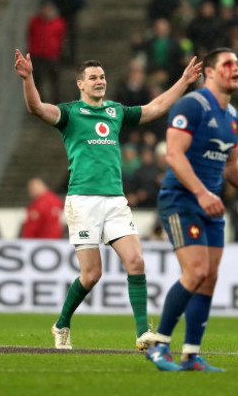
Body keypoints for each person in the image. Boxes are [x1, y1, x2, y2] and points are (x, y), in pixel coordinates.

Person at [14, 49, 202, 351]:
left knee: (136, 261)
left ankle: (143, 333)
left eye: (102, 77)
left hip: (115, 200)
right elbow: (36, 107)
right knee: (91, 275)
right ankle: (61, 324)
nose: (100, 81)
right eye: (93, 78)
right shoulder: (70, 113)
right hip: (83, 201)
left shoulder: (115, 111)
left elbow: (154, 108)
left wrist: (183, 82)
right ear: (80, 84)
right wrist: (28, 77)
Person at [146, 48, 238, 372]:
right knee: (195, 272)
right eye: (227, 64)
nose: (235, 69)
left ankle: (191, 355)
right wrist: (202, 192)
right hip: (182, 200)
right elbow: (174, 156)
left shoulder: (234, 117)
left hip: (211, 205)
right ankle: (159, 346)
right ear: (209, 72)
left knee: (208, 278)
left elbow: (232, 163)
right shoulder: (191, 106)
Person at [27, 2, 67, 103]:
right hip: (37, 55)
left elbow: (61, 39)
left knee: (54, 81)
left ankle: (56, 100)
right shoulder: (35, 22)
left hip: (51, 56)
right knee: (37, 80)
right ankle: (38, 101)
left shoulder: (58, 23)